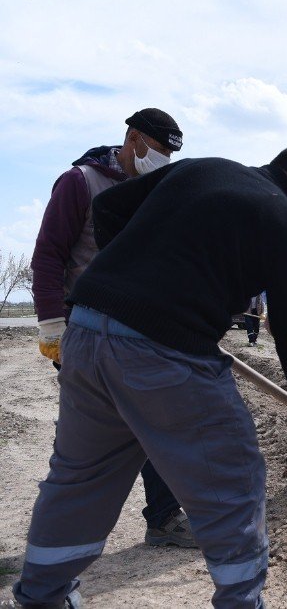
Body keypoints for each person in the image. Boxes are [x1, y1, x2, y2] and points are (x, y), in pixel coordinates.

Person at [11, 144, 287, 608]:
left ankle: (42, 596)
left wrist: (131, 276)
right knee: (232, 479)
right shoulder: (285, 225)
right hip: (161, 354)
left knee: (81, 477)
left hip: (87, 330)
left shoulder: (200, 169)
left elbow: (108, 206)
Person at [29, 108, 196, 550]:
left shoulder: (155, 190)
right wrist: (51, 326)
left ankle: (162, 519)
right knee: (88, 436)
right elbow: (48, 256)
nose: (161, 161)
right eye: (157, 151)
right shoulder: (80, 182)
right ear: (134, 138)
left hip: (139, 330)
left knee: (158, 424)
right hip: (83, 331)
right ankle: (58, 532)